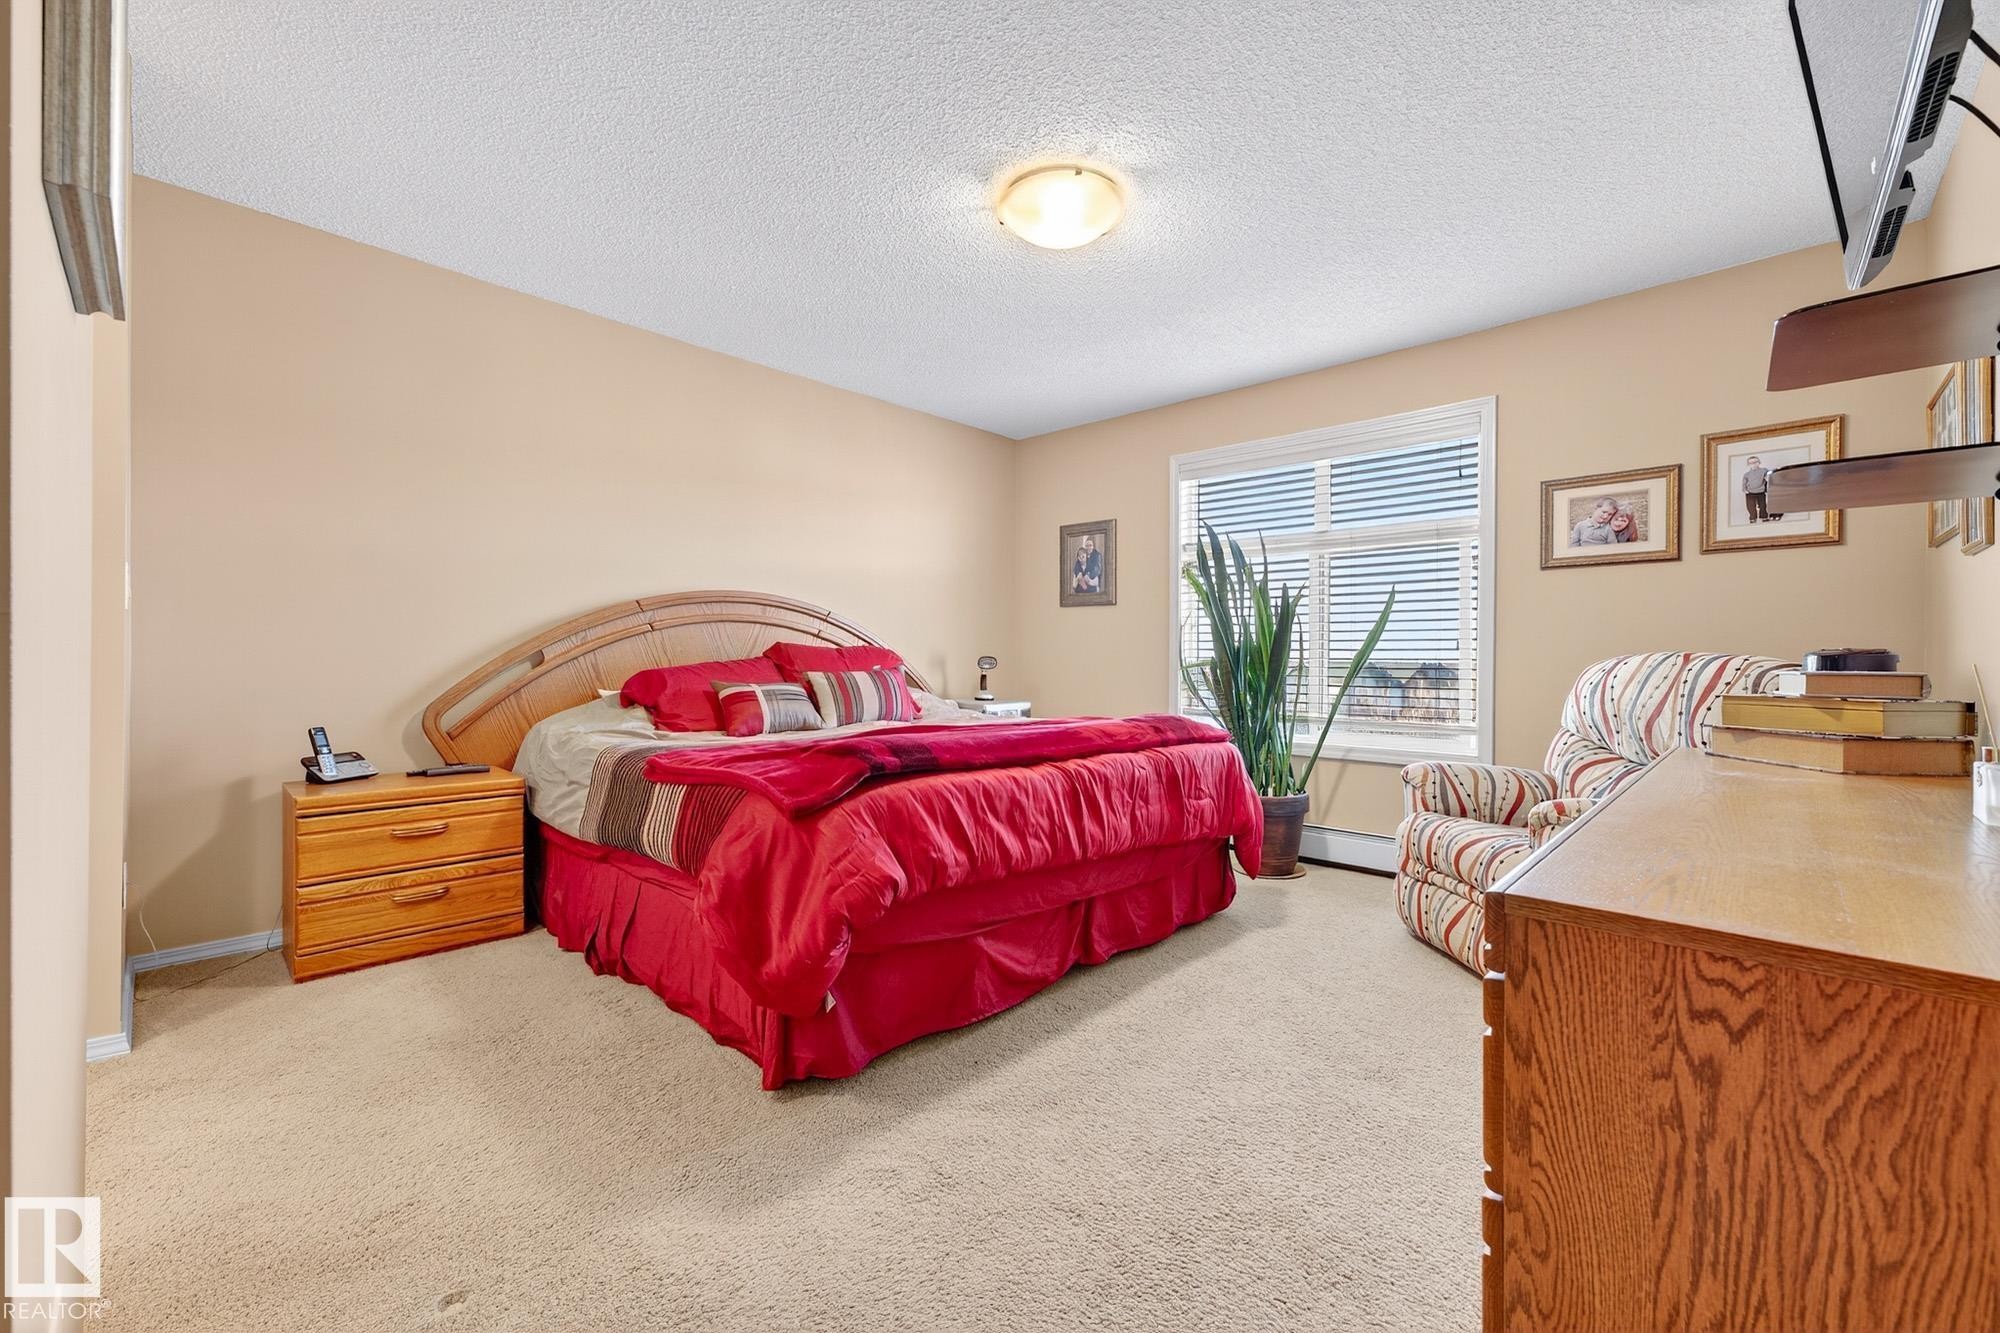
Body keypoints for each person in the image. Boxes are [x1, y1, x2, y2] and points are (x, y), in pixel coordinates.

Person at [1741, 455, 1771, 522]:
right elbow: (1744, 482)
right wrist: (1744, 489)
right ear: (1748, 465)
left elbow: (1768, 475)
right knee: (1751, 506)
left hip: (1761, 491)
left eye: (1755, 462)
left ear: (1759, 462)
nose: (1754, 464)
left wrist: (1767, 478)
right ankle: (1752, 517)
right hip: (1750, 492)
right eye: (1751, 463)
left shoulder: (1764, 470)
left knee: (1763, 505)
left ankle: (1764, 517)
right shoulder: (1747, 474)